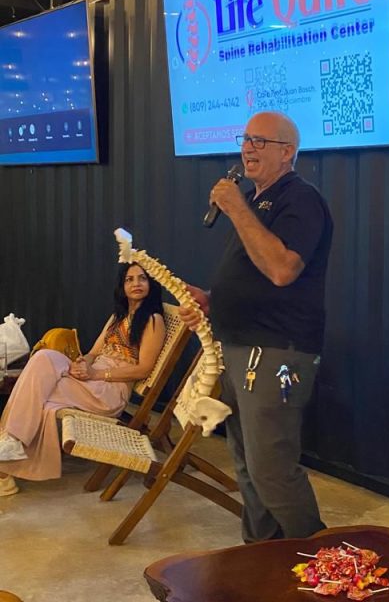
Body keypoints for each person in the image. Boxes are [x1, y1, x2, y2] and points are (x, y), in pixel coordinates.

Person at [183, 110, 333, 543]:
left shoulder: (300, 199)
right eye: (245, 139)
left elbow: (282, 269)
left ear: (287, 152)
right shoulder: (252, 201)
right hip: (238, 346)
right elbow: (254, 276)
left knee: (271, 468)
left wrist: (236, 208)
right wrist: (212, 300)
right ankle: (262, 556)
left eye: (259, 141)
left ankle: (323, 560)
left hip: (275, 351)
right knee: (248, 465)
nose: (248, 148)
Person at [0, 264, 165, 495]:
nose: (136, 284)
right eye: (129, 279)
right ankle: (11, 444)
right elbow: (93, 352)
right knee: (42, 358)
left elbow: (143, 370)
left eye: (142, 279)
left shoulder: (153, 320)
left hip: (109, 390)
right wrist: (82, 364)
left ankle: (9, 454)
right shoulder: (118, 317)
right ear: (122, 286)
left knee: (37, 391)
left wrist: (96, 374)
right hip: (91, 380)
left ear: (151, 284)